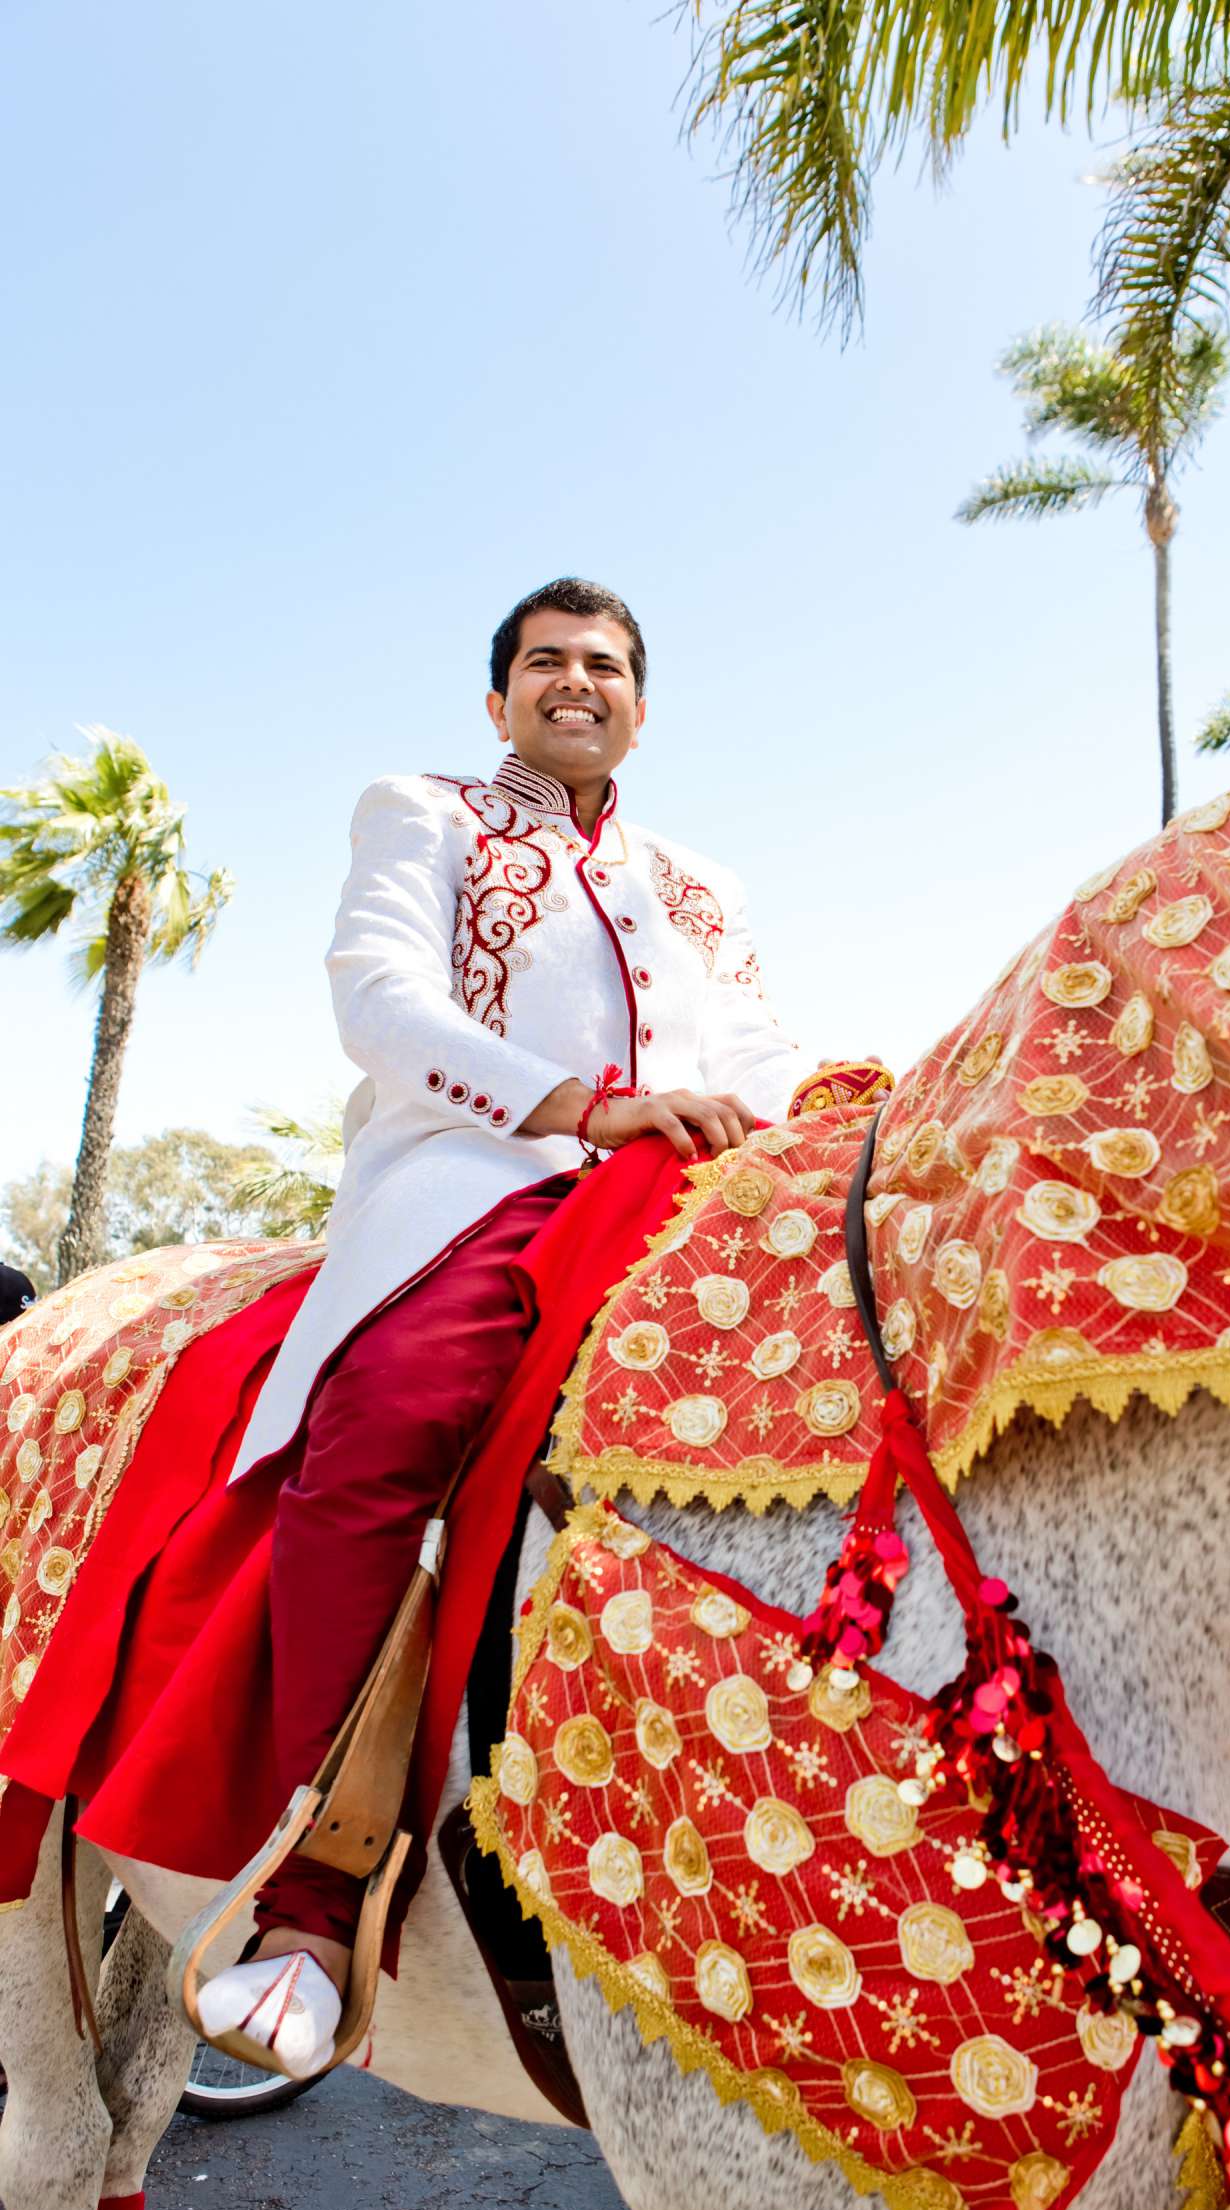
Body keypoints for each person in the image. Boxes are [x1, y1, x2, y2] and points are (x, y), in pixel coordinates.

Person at [199, 577, 801, 2074]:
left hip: (691, 1196)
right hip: (485, 1183)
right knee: (392, 1420)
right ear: (500, 700)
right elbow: (380, 1004)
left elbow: (764, 1049)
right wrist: (581, 1109)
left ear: (642, 708)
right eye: (546, 663)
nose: (575, 683)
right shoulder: (428, 812)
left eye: (605, 665)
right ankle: (317, 1887)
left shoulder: (701, 879)